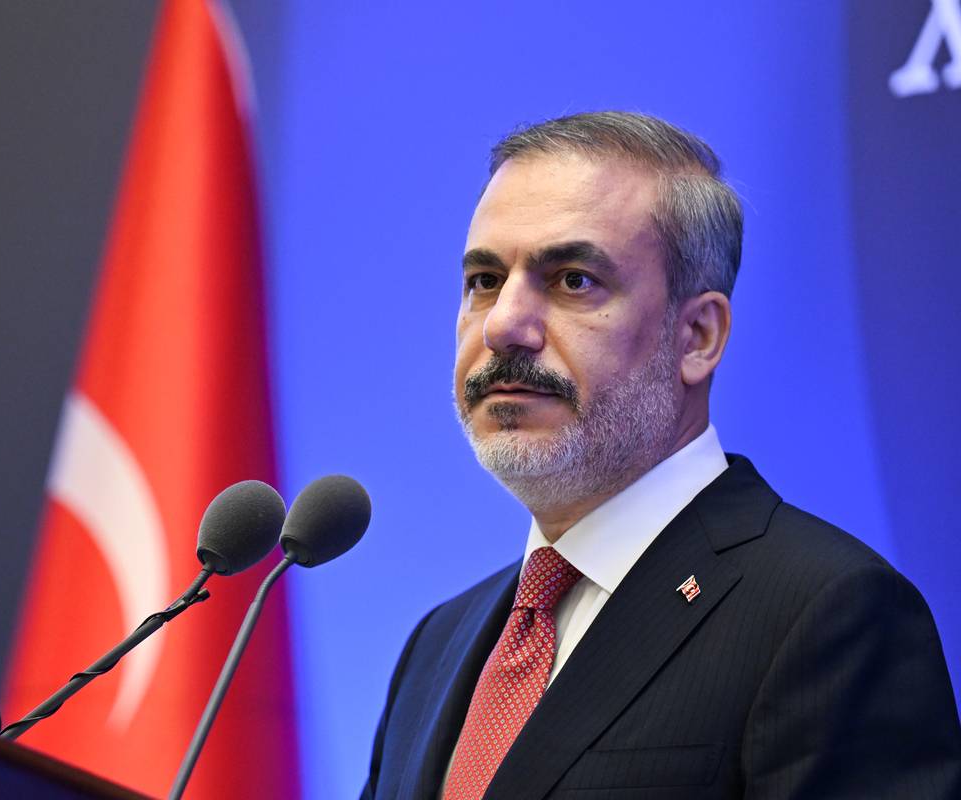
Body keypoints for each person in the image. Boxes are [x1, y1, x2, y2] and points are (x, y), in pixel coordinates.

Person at [360, 112, 961, 799]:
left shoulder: (827, 612)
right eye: (485, 281)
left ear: (699, 335)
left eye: (572, 280)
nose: (503, 325)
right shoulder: (437, 645)